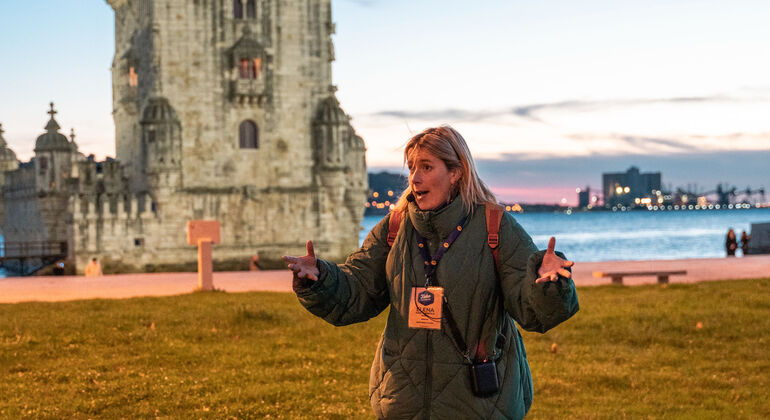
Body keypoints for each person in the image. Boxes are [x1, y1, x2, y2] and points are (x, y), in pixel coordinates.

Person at [283, 126, 579, 419]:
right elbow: (357, 289)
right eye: (412, 167)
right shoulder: (395, 227)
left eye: (426, 166)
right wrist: (320, 278)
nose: (415, 177)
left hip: (479, 405)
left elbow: (530, 309)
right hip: (403, 399)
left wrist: (549, 282)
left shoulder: (495, 226)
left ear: (455, 172)